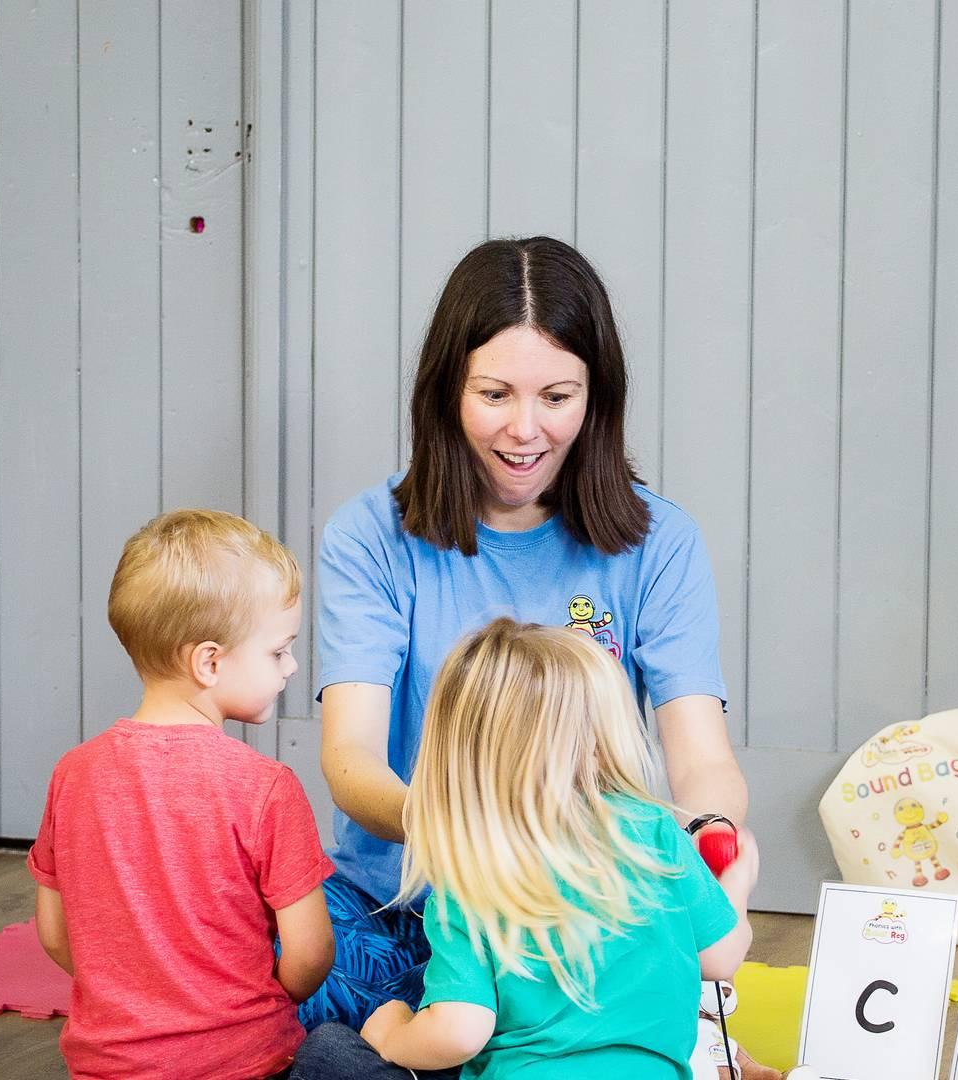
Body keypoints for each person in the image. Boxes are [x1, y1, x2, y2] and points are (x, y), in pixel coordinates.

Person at [309, 236, 750, 1027]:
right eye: (495, 395)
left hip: (587, 918)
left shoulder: (663, 543)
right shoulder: (368, 536)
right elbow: (349, 763)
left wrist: (705, 842)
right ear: (447, 390)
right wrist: (488, 840)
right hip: (408, 903)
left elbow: (703, 760)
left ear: (596, 397)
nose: (524, 430)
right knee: (288, 978)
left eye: (556, 397)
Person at [290, 618, 756, 1079]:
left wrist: (393, 1036)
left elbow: (458, 1031)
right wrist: (737, 883)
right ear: (598, 742)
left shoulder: (471, 870)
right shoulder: (654, 830)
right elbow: (719, 958)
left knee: (330, 1050)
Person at [28, 510, 334, 1080]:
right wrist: (268, 1000)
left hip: (105, 1066)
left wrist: (124, 998)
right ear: (209, 662)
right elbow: (311, 954)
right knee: (341, 1047)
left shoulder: (71, 774)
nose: (292, 666)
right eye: (278, 651)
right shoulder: (267, 786)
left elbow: (54, 932)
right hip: (247, 1062)